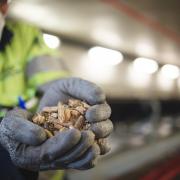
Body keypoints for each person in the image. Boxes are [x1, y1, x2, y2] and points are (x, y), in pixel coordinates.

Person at [0, 0, 113, 180]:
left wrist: (65, 91)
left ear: (4, 7)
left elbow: (49, 73)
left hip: (49, 167)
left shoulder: (25, 35)